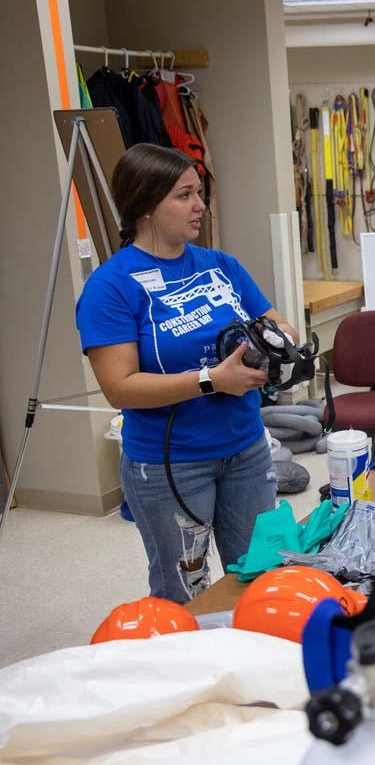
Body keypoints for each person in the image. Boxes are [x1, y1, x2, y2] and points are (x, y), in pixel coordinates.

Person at [75, 143, 299, 604]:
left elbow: (278, 322)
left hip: (246, 451)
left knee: (260, 578)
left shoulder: (220, 265)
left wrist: (272, 343)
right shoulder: (111, 287)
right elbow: (120, 388)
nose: (200, 205)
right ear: (145, 205)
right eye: (184, 195)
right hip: (169, 464)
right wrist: (210, 380)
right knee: (185, 596)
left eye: (199, 192)